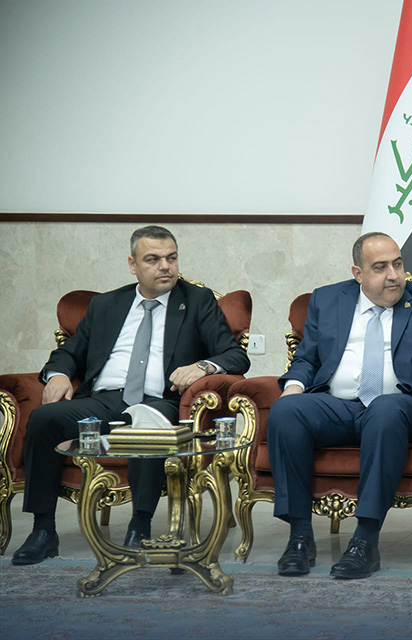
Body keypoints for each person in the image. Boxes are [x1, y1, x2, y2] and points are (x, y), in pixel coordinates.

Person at [12, 225, 250, 565]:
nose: (165, 266)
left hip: (160, 401)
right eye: (152, 259)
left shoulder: (197, 302)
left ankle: (140, 525)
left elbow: (235, 356)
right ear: (132, 264)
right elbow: (68, 352)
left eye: (171, 258)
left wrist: (203, 366)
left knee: (145, 425)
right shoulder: (106, 305)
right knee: (43, 418)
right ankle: (43, 530)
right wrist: (60, 374)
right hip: (103, 399)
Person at [267, 232, 412, 579]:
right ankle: (300, 537)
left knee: (384, 410)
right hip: (336, 405)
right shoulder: (327, 300)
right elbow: (306, 358)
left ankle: (365, 541)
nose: (394, 275)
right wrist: (294, 389)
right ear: (358, 273)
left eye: (398, 264)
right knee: (286, 411)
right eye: (380, 267)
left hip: (400, 406)